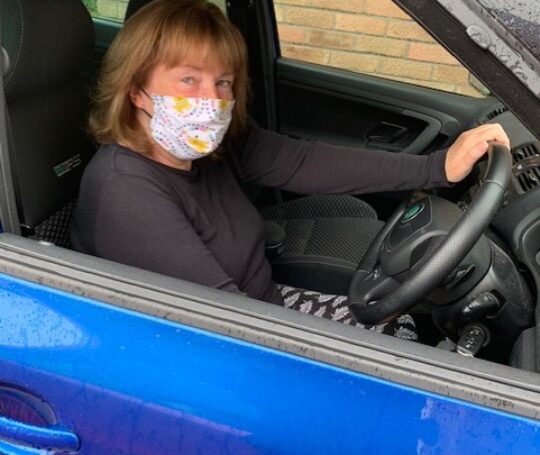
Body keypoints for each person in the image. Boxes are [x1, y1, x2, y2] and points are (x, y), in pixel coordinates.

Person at [71, 0, 510, 340]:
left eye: (223, 82)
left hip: (263, 305)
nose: (211, 99)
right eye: (189, 79)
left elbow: (305, 162)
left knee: (400, 327)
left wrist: (439, 167)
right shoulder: (125, 192)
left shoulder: (214, 147)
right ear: (137, 92)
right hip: (237, 341)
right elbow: (225, 324)